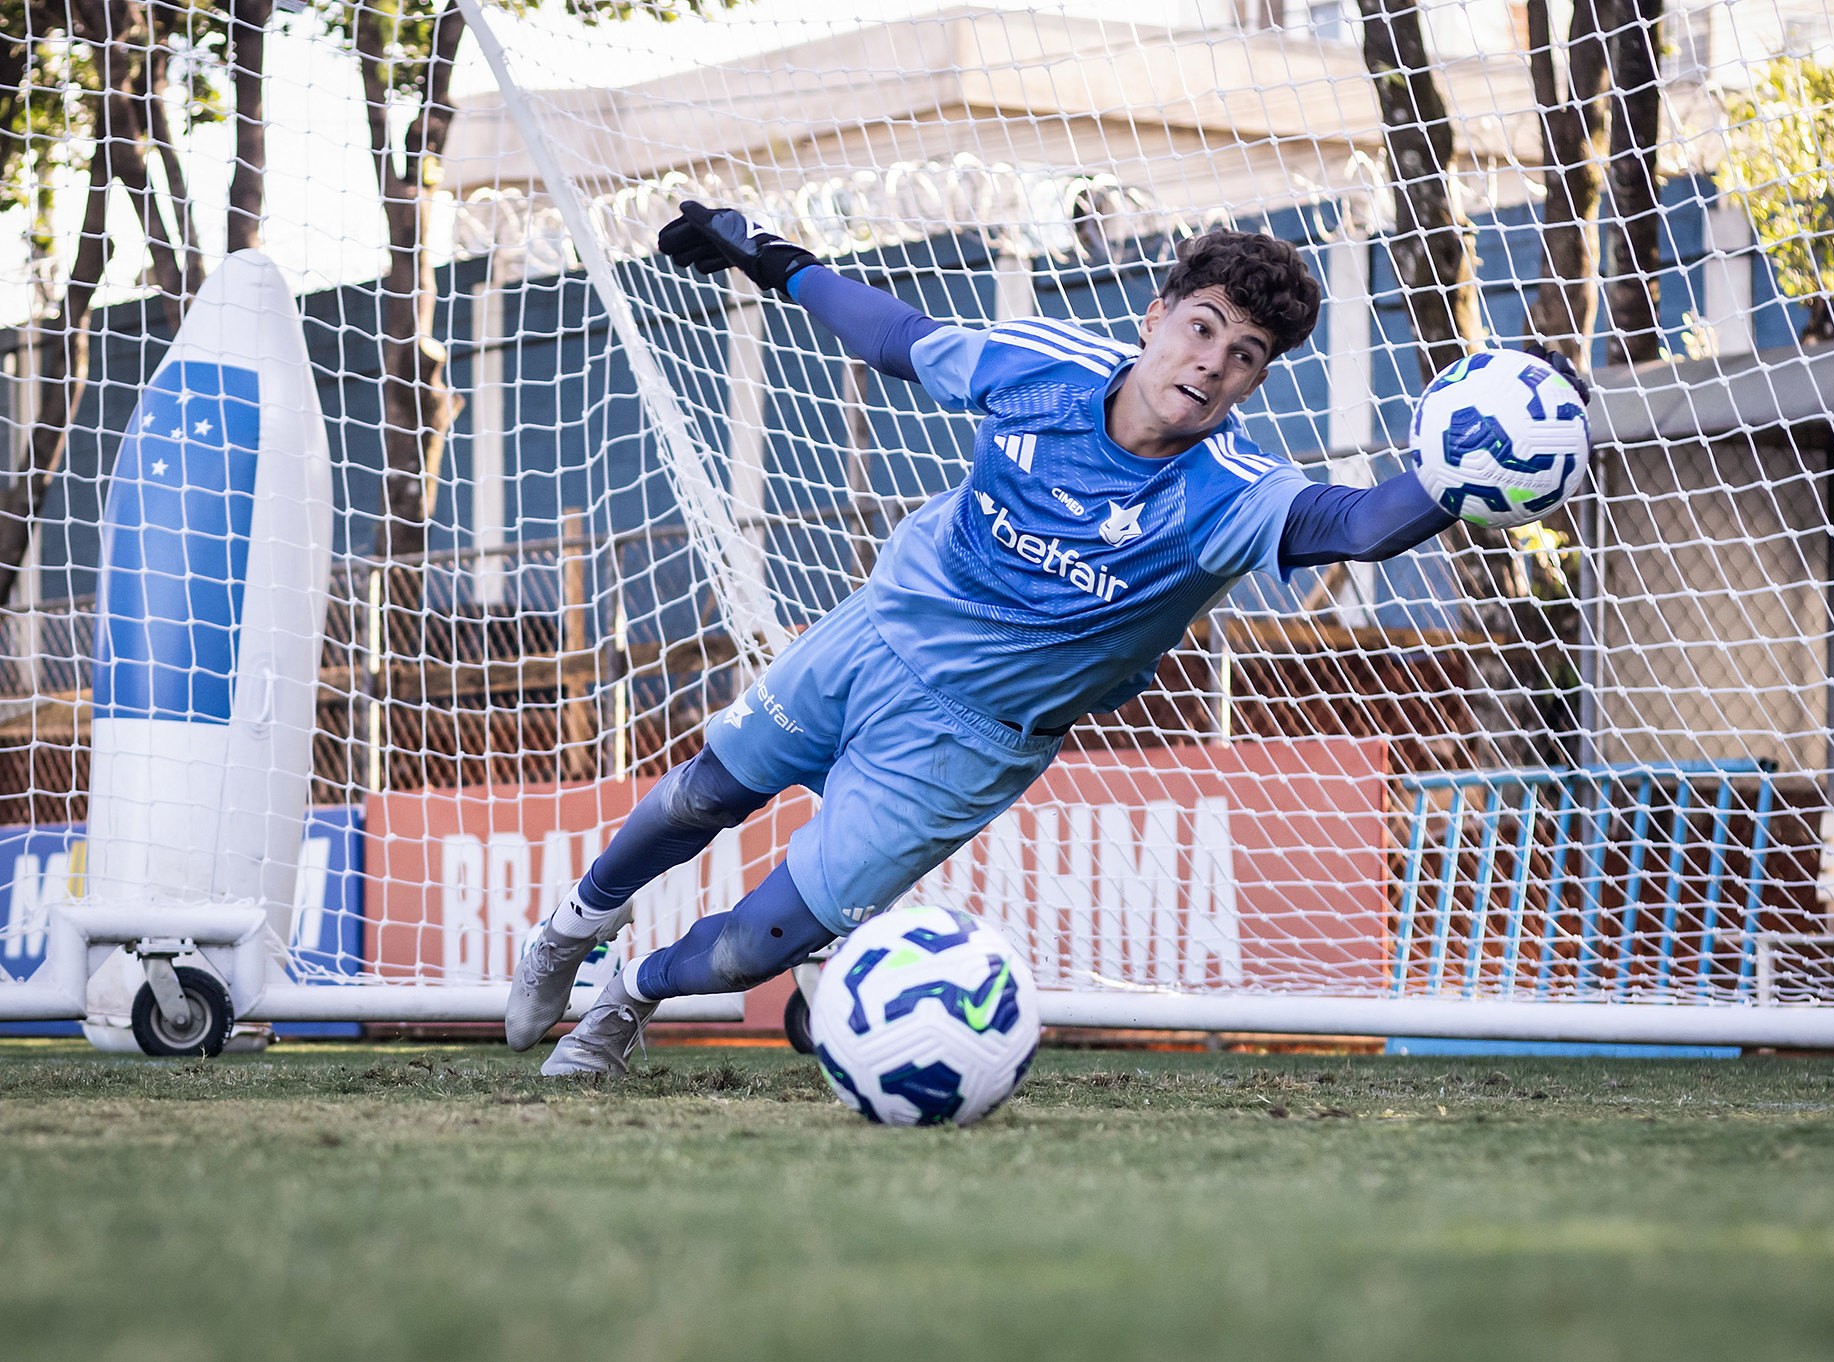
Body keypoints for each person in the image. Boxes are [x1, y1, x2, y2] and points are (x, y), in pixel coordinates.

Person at [507, 204, 1569, 1075]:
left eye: (1243, 356)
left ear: (1254, 380)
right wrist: (773, 258)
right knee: (698, 796)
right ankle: (567, 930)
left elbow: (1361, 526)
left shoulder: (1234, 493)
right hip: (873, 635)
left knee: (757, 947)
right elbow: (894, 338)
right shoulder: (1042, 367)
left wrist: (1456, 478)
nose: (1210, 364)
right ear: (1155, 318)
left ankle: (628, 996)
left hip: (972, 740)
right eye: (1200, 329)